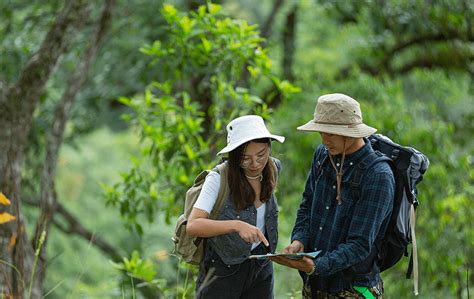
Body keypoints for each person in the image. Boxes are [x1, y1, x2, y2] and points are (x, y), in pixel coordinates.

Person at [270, 93, 395, 298]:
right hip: (316, 285)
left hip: (355, 289)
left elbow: (360, 244)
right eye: (321, 132)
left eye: (332, 133)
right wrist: (299, 241)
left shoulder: (378, 176)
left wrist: (316, 265)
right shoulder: (322, 155)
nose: (325, 139)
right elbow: (307, 204)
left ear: (352, 132)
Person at [186, 115, 285, 298]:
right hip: (222, 270)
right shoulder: (218, 178)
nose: (255, 164)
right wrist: (237, 225)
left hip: (261, 266)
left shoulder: (273, 168)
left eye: (261, 155)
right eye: (245, 158)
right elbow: (194, 225)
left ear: (269, 147)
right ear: (233, 154)